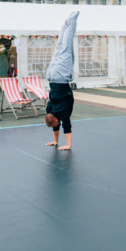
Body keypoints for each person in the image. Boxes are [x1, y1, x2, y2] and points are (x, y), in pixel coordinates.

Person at [44, 12, 79, 151]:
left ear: (55, 120)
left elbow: (67, 127)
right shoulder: (49, 111)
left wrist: (68, 145)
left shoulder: (62, 112)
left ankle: (72, 20)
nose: (55, 126)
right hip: (50, 76)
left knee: (66, 48)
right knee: (59, 48)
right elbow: (56, 125)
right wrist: (55, 141)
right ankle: (65, 25)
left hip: (61, 76)